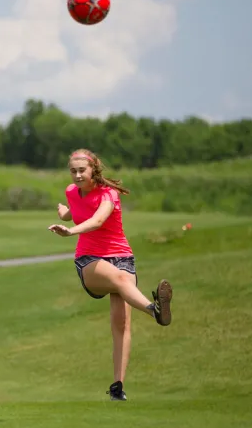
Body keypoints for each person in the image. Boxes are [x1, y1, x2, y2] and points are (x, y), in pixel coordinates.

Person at [47, 149, 173, 401]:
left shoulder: (109, 194)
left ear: (94, 169)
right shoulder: (71, 192)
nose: (77, 175)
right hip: (89, 260)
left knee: (121, 323)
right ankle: (154, 310)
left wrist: (70, 231)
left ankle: (118, 386)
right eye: (73, 171)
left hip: (122, 256)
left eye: (82, 170)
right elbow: (77, 209)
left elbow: (97, 220)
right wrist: (65, 214)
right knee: (120, 280)